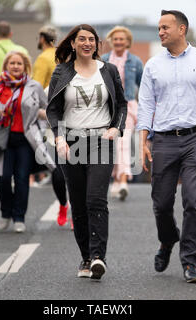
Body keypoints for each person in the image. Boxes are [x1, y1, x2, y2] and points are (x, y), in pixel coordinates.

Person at [137, 10, 196, 283]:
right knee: (161, 203)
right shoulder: (153, 65)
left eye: (165, 27)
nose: (160, 32)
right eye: (158, 28)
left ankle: (190, 262)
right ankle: (167, 241)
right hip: (164, 140)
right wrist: (143, 140)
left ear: (182, 29)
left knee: (193, 201)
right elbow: (146, 105)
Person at [46, 24, 127, 280]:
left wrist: (117, 128)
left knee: (96, 199)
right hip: (70, 142)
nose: (87, 43)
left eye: (91, 39)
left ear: (96, 44)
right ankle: (85, 257)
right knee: (79, 204)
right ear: (73, 43)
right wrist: (59, 137)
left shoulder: (109, 71)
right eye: (81, 39)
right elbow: (53, 109)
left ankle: (98, 257)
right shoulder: (61, 72)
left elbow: (122, 104)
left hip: (101, 139)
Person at [0, 51, 55, 233]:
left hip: (25, 139)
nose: (15, 66)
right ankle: (6, 213)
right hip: (1, 139)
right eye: (12, 63)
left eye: (19, 63)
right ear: (6, 65)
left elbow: (49, 108)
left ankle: (19, 217)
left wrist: (41, 122)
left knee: (22, 179)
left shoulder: (34, 86)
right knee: (2, 178)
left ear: (25, 66)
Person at [32, 25, 70, 228]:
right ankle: (63, 204)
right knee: (57, 170)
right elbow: (37, 95)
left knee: (77, 173)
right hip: (54, 130)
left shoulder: (84, 77)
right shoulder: (55, 78)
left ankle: (76, 211)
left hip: (80, 132)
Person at [102, 26, 143, 200]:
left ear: (128, 42)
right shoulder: (103, 61)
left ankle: (123, 180)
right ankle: (117, 179)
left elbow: (144, 87)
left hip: (128, 106)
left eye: (122, 39)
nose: (119, 42)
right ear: (111, 41)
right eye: (116, 39)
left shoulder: (135, 62)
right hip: (107, 107)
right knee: (112, 143)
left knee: (124, 142)